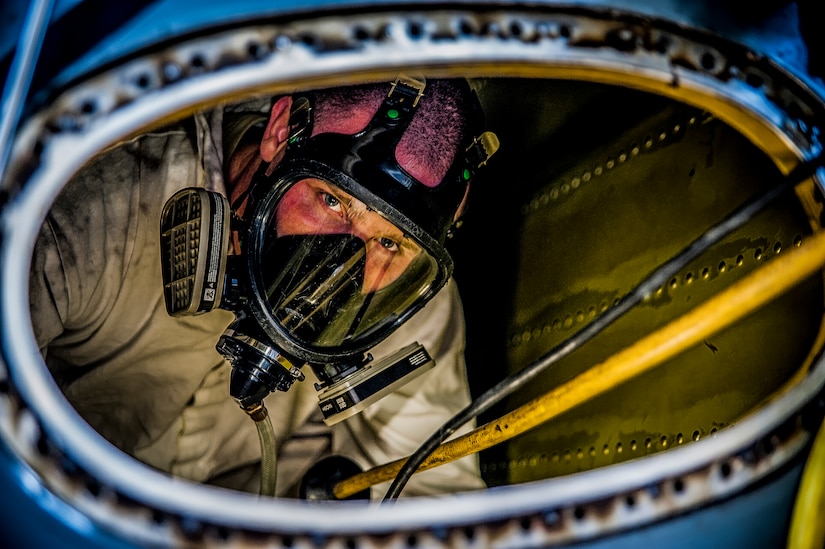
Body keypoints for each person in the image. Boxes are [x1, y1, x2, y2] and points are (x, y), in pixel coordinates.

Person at [29, 76, 494, 498]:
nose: (344, 268)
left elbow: (437, 496)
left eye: (390, 241)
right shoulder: (94, 207)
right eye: (332, 201)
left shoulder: (405, 298)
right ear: (279, 132)